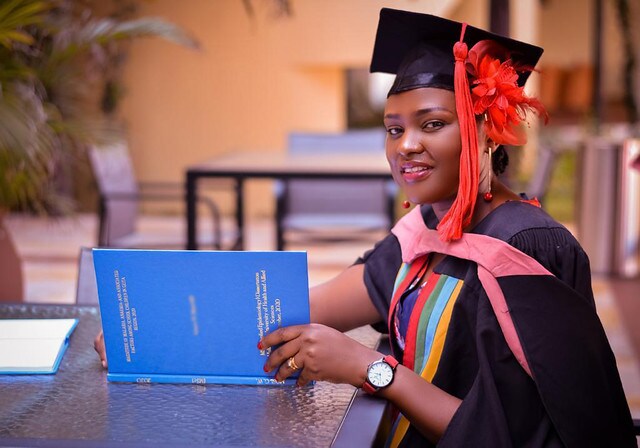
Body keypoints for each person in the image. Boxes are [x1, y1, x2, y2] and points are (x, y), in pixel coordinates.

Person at [96, 8, 636, 447]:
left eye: (432, 124)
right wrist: (147, 332)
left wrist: (368, 368)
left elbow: (506, 436)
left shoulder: (528, 252)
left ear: (486, 134)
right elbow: (298, 310)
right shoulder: (424, 231)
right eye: (393, 128)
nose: (405, 145)